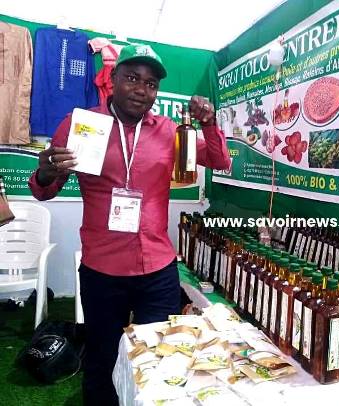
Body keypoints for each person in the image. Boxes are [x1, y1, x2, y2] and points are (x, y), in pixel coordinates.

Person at [28, 44, 230, 405]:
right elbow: (44, 189)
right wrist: (45, 172)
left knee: (159, 358)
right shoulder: (81, 125)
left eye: (151, 84)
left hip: (158, 269)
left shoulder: (169, 130)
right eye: (133, 79)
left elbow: (219, 160)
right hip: (103, 270)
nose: (141, 90)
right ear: (114, 80)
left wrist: (210, 123)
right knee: (103, 357)